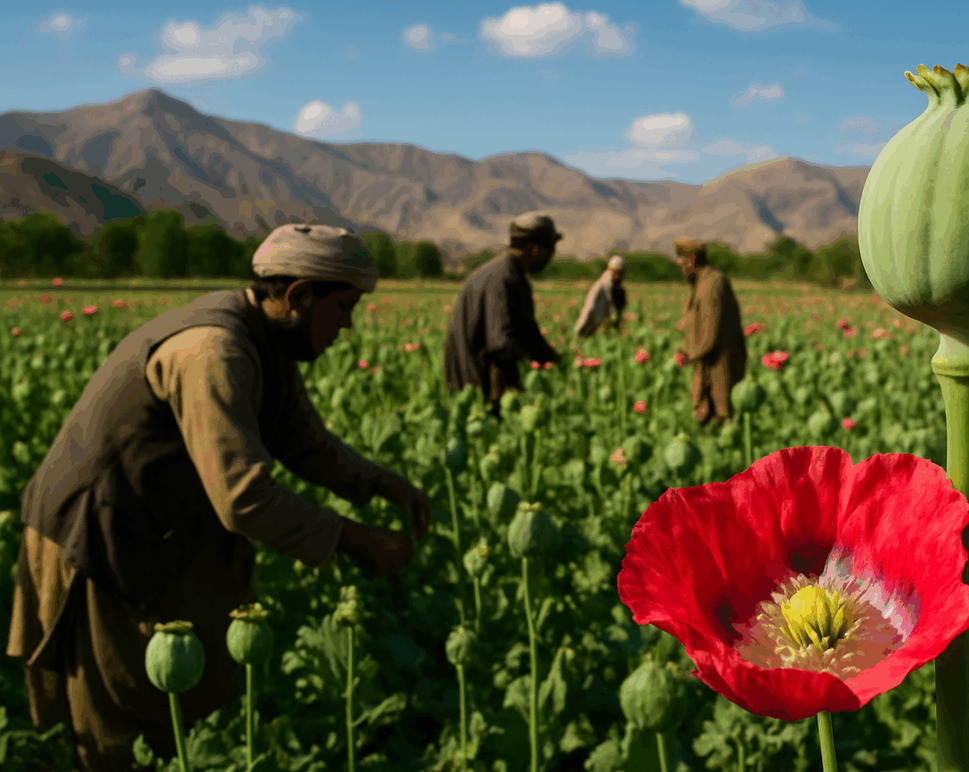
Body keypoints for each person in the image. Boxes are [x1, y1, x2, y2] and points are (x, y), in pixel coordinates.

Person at [6, 223, 431, 771]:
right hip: (98, 538)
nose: (348, 325)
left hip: (155, 531)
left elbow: (302, 440)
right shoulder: (214, 350)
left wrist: (382, 484)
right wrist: (352, 540)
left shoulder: (267, 338)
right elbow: (243, 498)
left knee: (190, 701)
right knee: (126, 723)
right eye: (344, 307)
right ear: (299, 295)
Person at [443, 212, 565, 414]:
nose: (553, 255)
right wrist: (530, 361)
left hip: (483, 372)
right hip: (475, 379)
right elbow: (500, 343)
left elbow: (529, 331)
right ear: (535, 249)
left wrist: (555, 359)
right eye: (551, 248)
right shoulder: (501, 279)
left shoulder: (515, 275)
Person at [674, 238, 747, 426]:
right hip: (707, 359)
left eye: (682, 262)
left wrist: (690, 354)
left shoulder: (711, 284)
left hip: (717, 362)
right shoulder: (701, 281)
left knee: (721, 413)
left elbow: (709, 333)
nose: (680, 267)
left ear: (691, 260)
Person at [574, 255, 627, 338]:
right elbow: (589, 308)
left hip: (609, 330)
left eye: (620, 272)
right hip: (594, 328)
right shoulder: (600, 287)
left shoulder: (620, 291)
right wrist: (580, 329)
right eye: (615, 271)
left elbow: (619, 312)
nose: (617, 275)